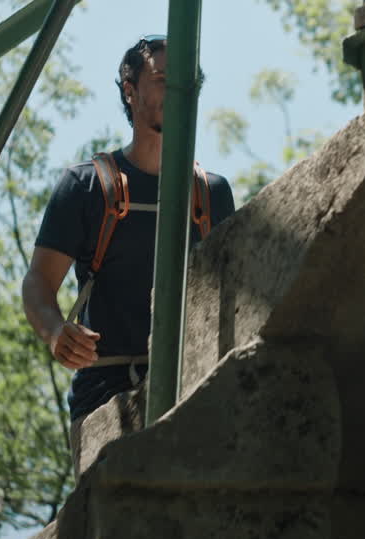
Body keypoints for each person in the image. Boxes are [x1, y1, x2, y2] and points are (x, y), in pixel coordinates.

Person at [21, 35, 235, 469]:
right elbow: (39, 282)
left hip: (192, 386)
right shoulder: (86, 187)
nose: (175, 91)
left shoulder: (211, 194)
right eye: (161, 79)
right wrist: (55, 331)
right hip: (106, 399)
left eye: (186, 82)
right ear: (129, 89)